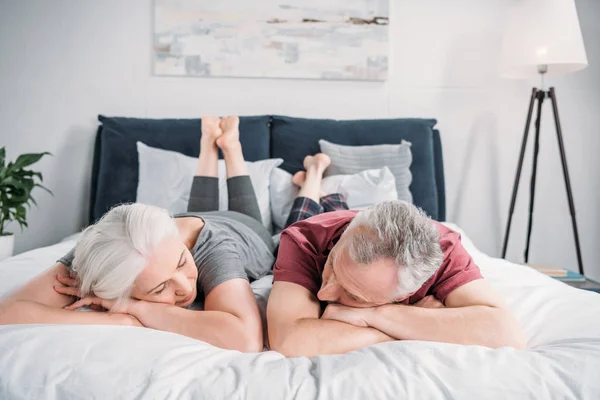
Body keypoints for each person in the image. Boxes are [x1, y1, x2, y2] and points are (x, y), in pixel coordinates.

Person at [0, 116, 273, 353]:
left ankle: (230, 147)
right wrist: (116, 321)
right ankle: (212, 144)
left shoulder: (215, 247)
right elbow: (8, 311)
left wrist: (138, 309)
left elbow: (246, 339)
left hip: (247, 230)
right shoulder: (109, 247)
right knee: (199, 214)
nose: (186, 287)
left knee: (247, 217)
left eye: (180, 262)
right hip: (185, 228)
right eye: (159, 288)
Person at [267, 200, 526, 357]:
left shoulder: (444, 251)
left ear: (402, 297)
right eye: (333, 264)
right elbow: (289, 340)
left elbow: (507, 333)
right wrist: (415, 326)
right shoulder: (305, 238)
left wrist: (378, 316)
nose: (323, 294)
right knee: (314, 206)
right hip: (333, 219)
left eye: (354, 296)